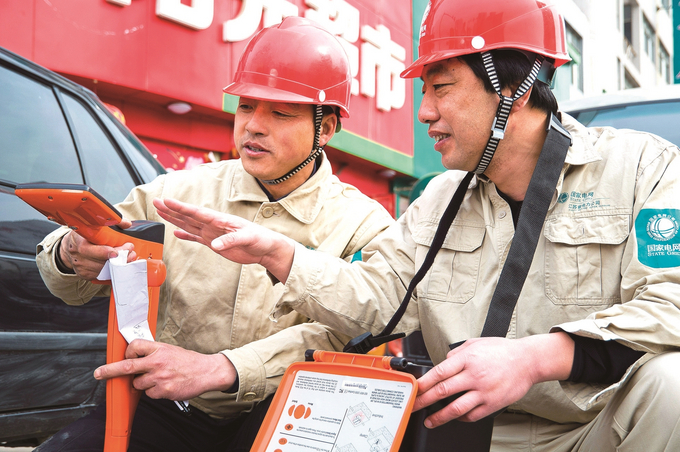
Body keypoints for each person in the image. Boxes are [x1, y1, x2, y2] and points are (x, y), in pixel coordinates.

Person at [153, 1, 680, 450]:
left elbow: (671, 304)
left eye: (442, 88)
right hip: (463, 432)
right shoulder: (439, 199)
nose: (425, 112)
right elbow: (378, 301)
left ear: (515, 89)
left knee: (671, 383)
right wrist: (276, 253)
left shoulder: (644, 169)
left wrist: (536, 358)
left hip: (595, 427)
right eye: (424, 92)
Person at [34, 16, 394, 452]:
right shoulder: (174, 193)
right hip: (167, 404)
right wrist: (69, 253)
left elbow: (353, 334)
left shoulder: (363, 224)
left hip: (290, 411)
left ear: (327, 128)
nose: (253, 125)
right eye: (246, 106)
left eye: (280, 112)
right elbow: (72, 285)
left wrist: (226, 367)